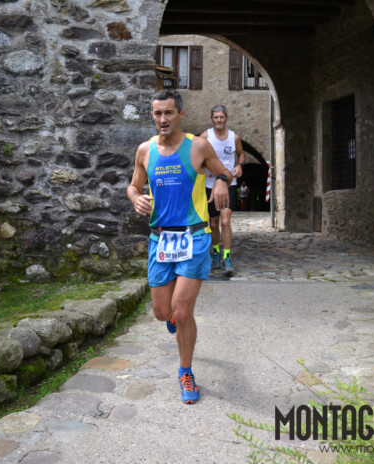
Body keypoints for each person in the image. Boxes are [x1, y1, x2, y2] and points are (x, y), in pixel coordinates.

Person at [127, 89, 232, 404]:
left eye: (168, 113)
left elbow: (224, 171)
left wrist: (222, 182)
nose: (163, 119)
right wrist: (136, 197)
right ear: (152, 115)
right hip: (160, 238)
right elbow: (133, 185)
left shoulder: (198, 146)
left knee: (183, 310)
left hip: (194, 236)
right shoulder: (145, 151)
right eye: (157, 113)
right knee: (163, 313)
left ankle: (185, 371)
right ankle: (172, 317)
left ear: (180, 114)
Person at [200, 105, 246, 276]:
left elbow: (241, 154)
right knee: (213, 223)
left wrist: (240, 166)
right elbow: (195, 155)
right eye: (216, 117)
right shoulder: (205, 137)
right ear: (211, 119)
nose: (219, 120)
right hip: (209, 184)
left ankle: (227, 257)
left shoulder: (234, 137)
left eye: (221, 117)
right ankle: (216, 252)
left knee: (225, 222)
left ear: (227, 118)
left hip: (229, 184)